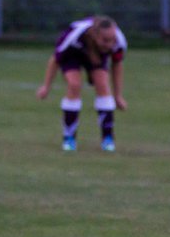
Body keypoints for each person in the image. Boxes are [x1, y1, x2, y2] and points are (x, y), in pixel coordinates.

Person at [36, 15, 128, 151]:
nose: (110, 44)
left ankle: (107, 139)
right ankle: (69, 138)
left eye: (112, 40)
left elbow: (117, 65)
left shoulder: (118, 41)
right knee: (74, 85)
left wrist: (118, 96)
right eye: (105, 40)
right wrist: (46, 86)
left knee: (102, 85)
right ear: (94, 36)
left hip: (97, 55)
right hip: (72, 55)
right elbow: (55, 60)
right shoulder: (75, 35)